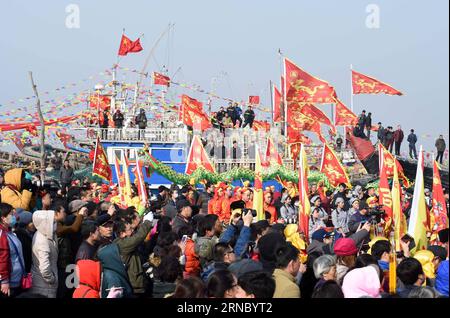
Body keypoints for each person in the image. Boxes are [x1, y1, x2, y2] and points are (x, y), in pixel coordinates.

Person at [113, 212, 154, 297]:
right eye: (130, 230)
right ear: (122, 233)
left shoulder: (124, 241)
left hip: (138, 280)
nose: (133, 231)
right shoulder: (122, 244)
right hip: (134, 286)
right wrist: (147, 222)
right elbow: (138, 237)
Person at [30, 210, 59, 298]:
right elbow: (44, 267)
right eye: (52, 222)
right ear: (45, 223)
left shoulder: (47, 235)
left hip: (45, 284)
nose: (55, 224)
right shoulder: (42, 240)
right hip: (44, 286)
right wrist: (52, 279)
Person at [0, 203, 26, 298]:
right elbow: (2, 259)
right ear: (3, 218)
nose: (14, 216)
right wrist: (4, 281)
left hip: (16, 279)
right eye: (11, 214)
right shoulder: (2, 235)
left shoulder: (9, 231)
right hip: (8, 284)